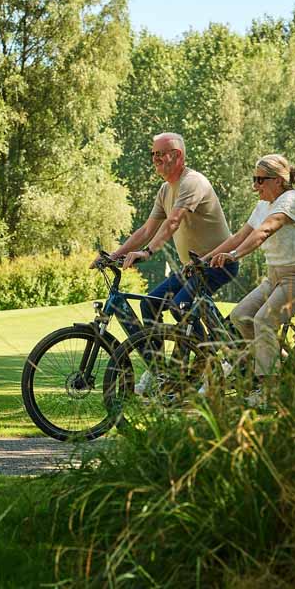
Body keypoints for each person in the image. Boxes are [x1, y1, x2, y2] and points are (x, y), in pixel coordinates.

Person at [103, 132, 238, 395]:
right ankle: (161, 373)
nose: (155, 159)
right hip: (192, 267)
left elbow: (173, 222)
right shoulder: (165, 189)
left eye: (160, 154)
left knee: (181, 306)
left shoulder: (192, 182)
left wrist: (148, 252)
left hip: (216, 263)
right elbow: (147, 229)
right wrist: (114, 255)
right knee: (150, 303)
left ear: (177, 156)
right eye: (152, 154)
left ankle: (213, 362)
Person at [206, 154, 295, 403]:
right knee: (241, 315)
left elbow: (265, 230)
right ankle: (282, 367)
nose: (255, 186)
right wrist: (205, 258)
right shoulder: (263, 204)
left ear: (279, 180)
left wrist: (234, 256)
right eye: (254, 179)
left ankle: (269, 391)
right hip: (277, 274)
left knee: (263, 320)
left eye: (260, 180)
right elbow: (242, 234)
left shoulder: (291, 200)